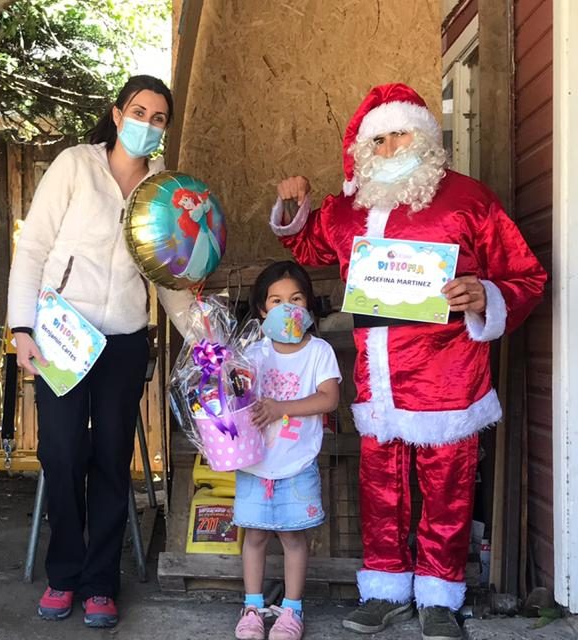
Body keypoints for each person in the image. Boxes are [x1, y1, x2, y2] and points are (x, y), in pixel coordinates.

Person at [271, 83, 546, 640]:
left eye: (404, 132)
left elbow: (527, 276)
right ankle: (386, 590)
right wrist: (291, 207)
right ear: (366, 149)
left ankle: (441, 595)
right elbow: (311, 248)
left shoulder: (470, 200)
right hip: (378, 379)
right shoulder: (345, 211)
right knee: (380, 488)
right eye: (382, 137)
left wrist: (484, 294)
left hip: (448, 375)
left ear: (426, 137)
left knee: (448, 488)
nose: (394, 145)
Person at [6, 74, 194, 629]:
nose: (147, 125)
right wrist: (22, 327)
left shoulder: (164, 189)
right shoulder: (74, 165)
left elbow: (168, 276)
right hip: (63, 334)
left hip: (125, 341)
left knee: (112, 459)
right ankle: (62, 573)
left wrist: (206, 333)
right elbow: (34, 246)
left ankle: (100, 583)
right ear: (117, 114)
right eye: (139, 112)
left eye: (158, 118)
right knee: (61, 454)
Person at [233, 261, 342, 640]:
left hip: (297, 465)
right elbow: (236, 398)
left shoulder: (319, 351)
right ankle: (252, 607)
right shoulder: (252, 353)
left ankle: (292, 611)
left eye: (295, 299)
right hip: (255, 465)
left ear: (308, 304)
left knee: (294, 538)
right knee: (255, 537)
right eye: (276, 301)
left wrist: (281, 408)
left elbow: (329, 398)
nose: (287, 308)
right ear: (262, 309)